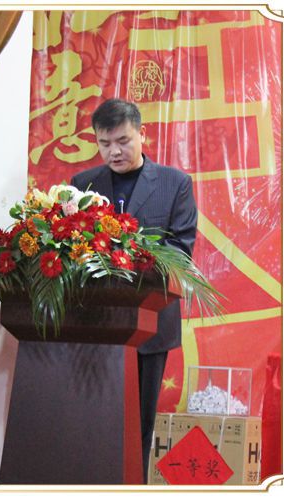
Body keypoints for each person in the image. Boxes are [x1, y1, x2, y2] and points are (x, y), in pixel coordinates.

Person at [70, 98, 197, 484]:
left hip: (150, 326)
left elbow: (180, 250)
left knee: (137, 427)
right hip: (94, 324)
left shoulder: (175, 184)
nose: (114, 151)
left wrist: (126, 254)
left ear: (142, 134)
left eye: (123, 141)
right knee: (90, 424)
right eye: (104, 143)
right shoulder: (81, 185)